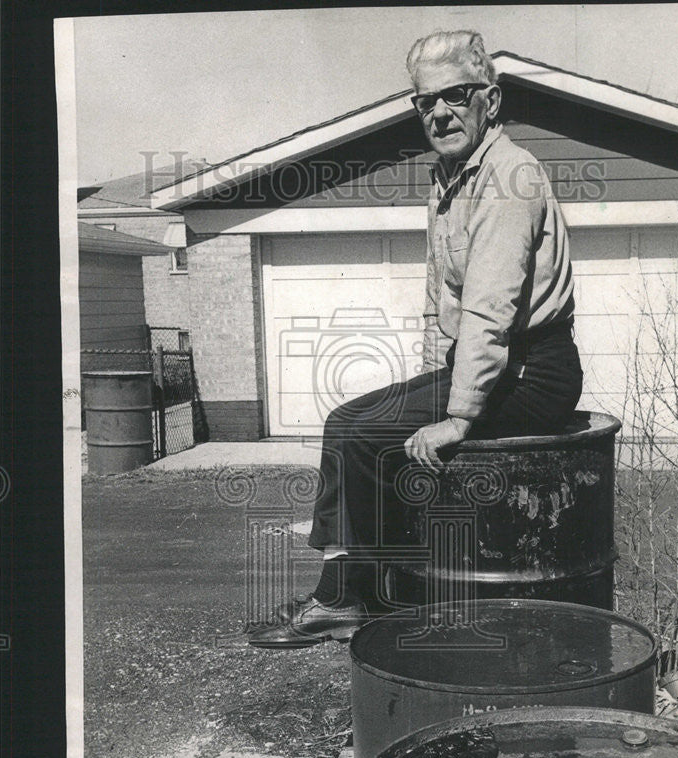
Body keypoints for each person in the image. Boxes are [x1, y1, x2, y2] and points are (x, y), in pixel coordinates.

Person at [249, 29, 582, 648]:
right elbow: (442, 301)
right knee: (353, 420)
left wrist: (457, 416)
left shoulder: (509, 177)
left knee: (366, 435)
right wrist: (434, 379)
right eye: (425, 101)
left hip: (534, 371)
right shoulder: (449, 178)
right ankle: (364, 589)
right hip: (487, 363)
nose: (440, 112)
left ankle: (351, 599)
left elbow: (489, 309)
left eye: (456, 95)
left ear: (492, 100)